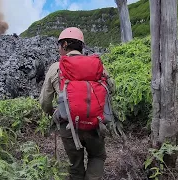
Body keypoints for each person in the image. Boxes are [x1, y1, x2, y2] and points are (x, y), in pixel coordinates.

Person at [39, 27, 115, 180]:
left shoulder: (56, 68)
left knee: (75, 165)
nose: (58, 48)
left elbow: (45, 102)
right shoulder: (97, 65)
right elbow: (111, 88)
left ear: (65, 44)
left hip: (69, 126)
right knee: (97, 157)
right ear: (82, 46)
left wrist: (53, 112)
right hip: (95, 124)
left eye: (59, 44)